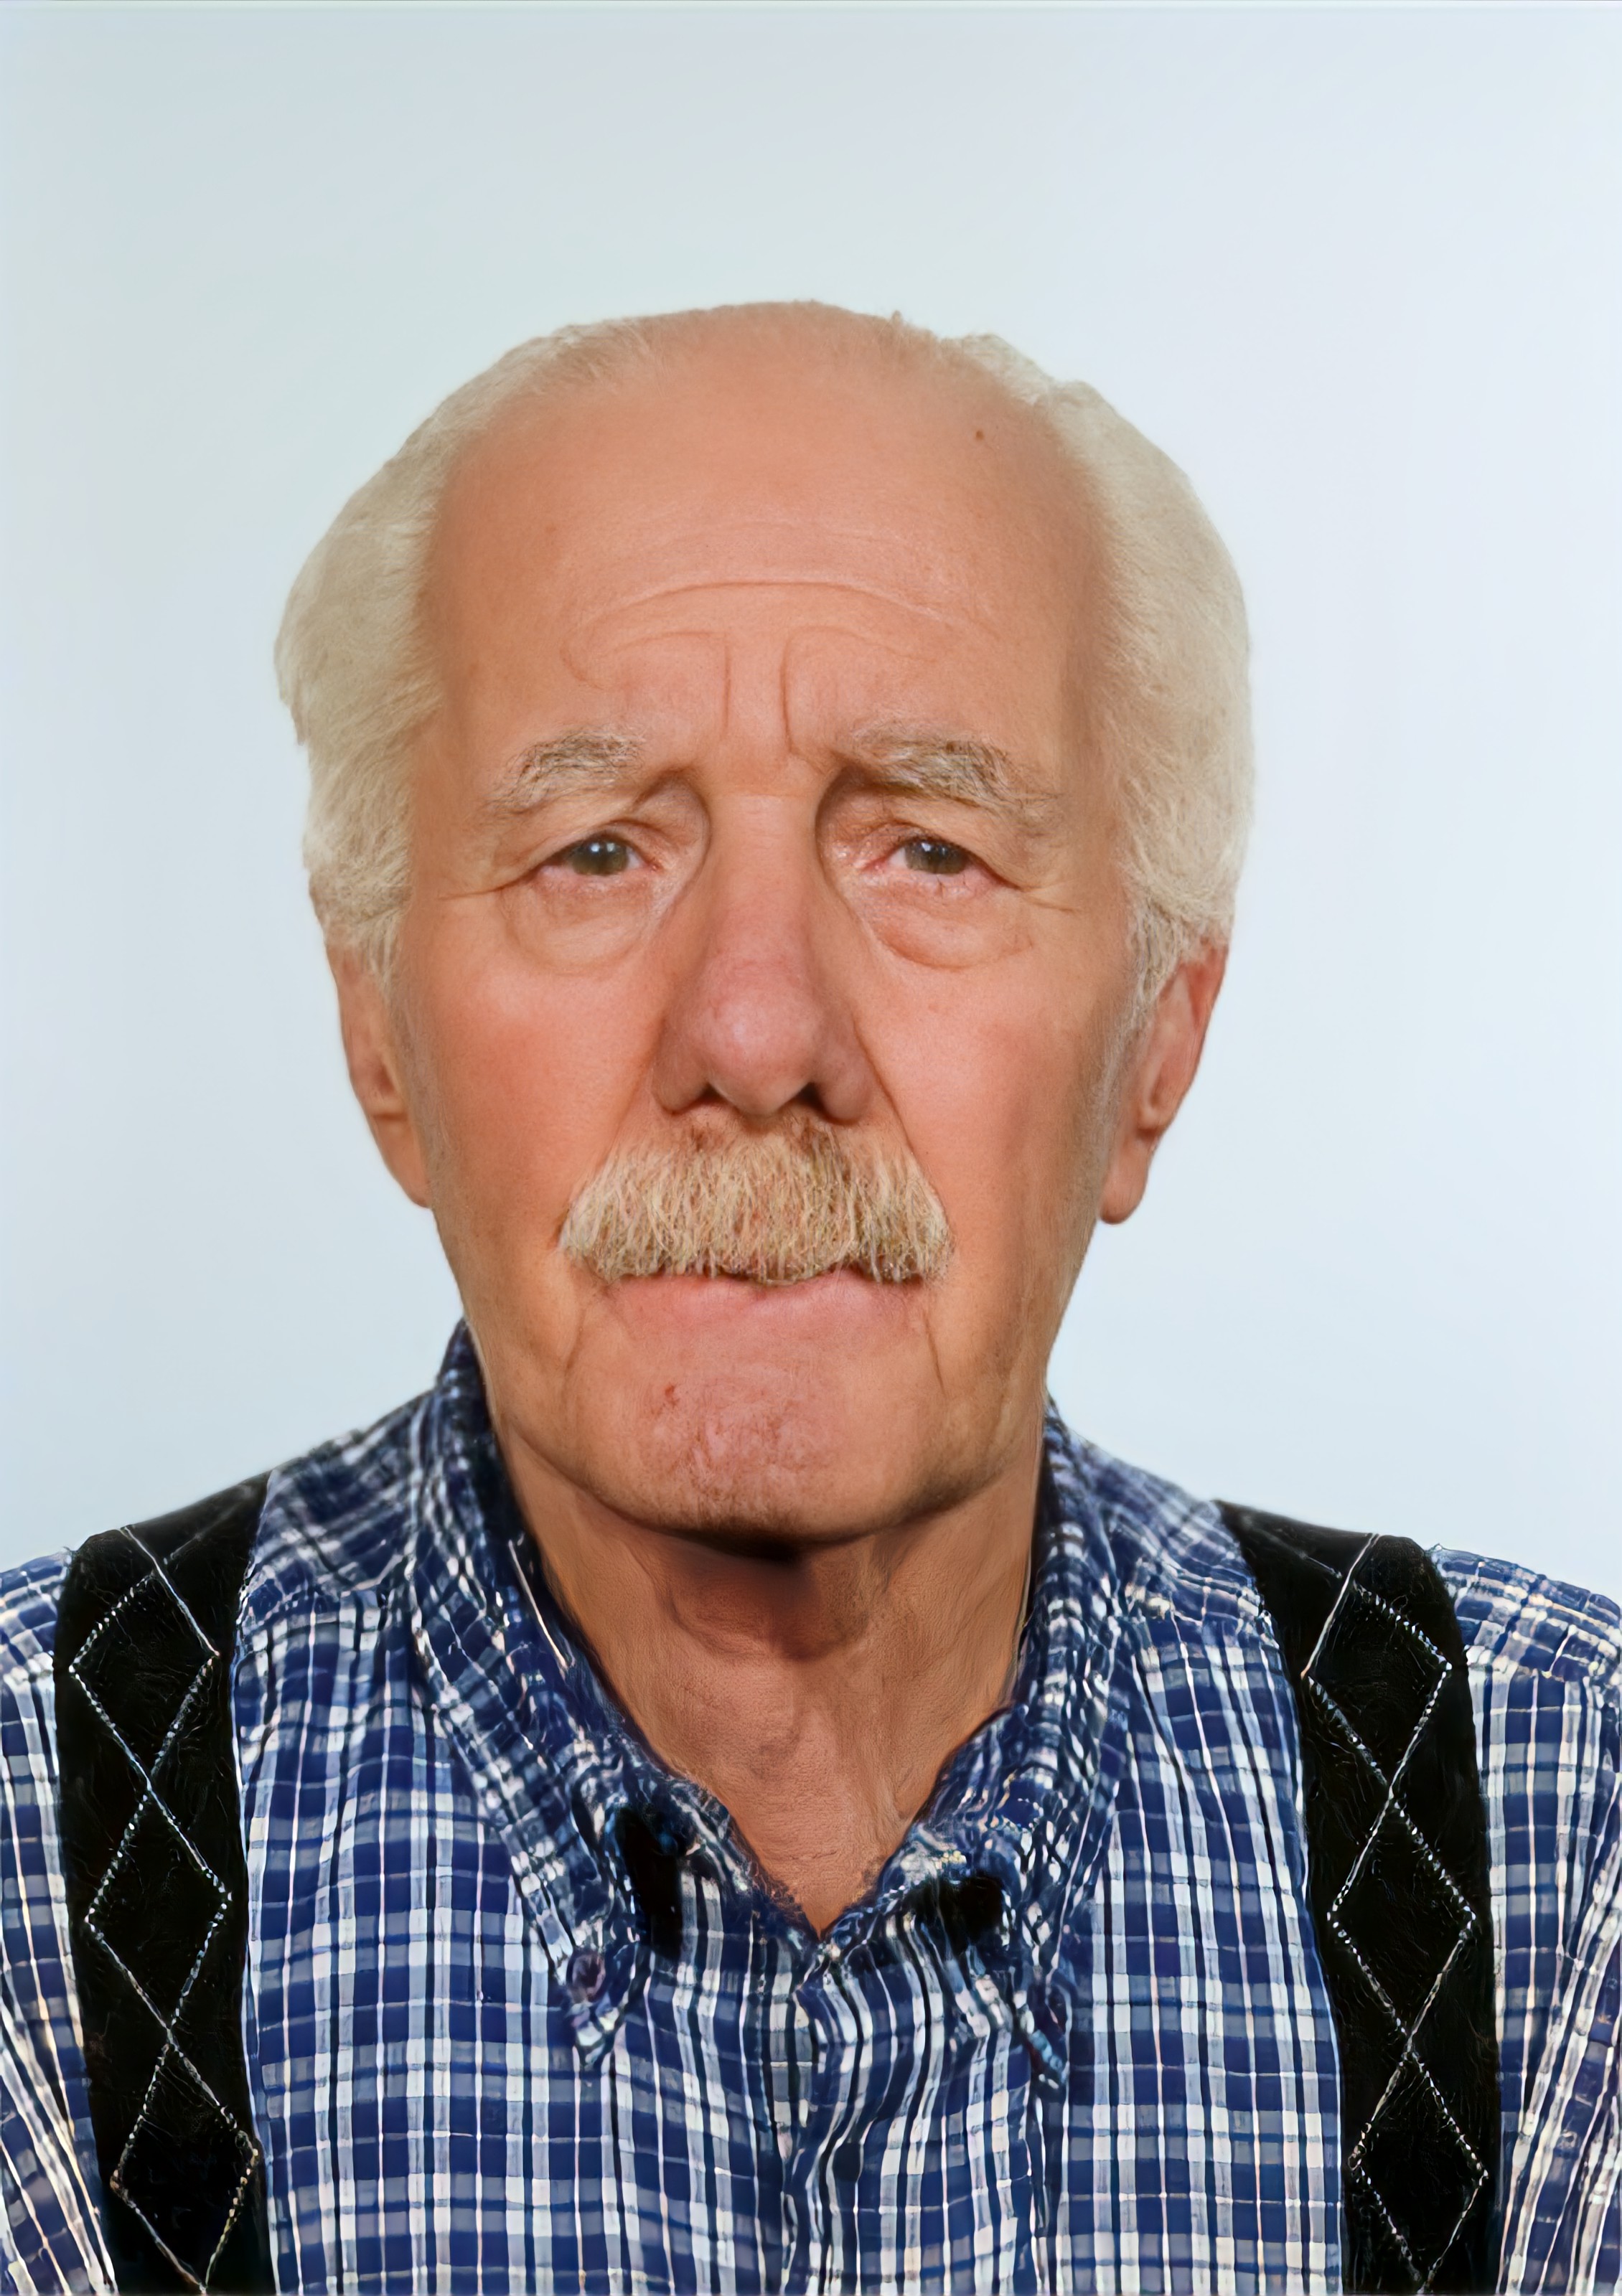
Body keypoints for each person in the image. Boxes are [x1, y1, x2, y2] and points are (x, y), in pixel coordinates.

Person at [0, 303, 1615, 2296]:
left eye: (927, 849)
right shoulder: (33, 1871)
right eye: (596, 852)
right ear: (378, 1033)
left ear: (1157, 1041)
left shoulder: (1563, 1855)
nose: (757, 1037)